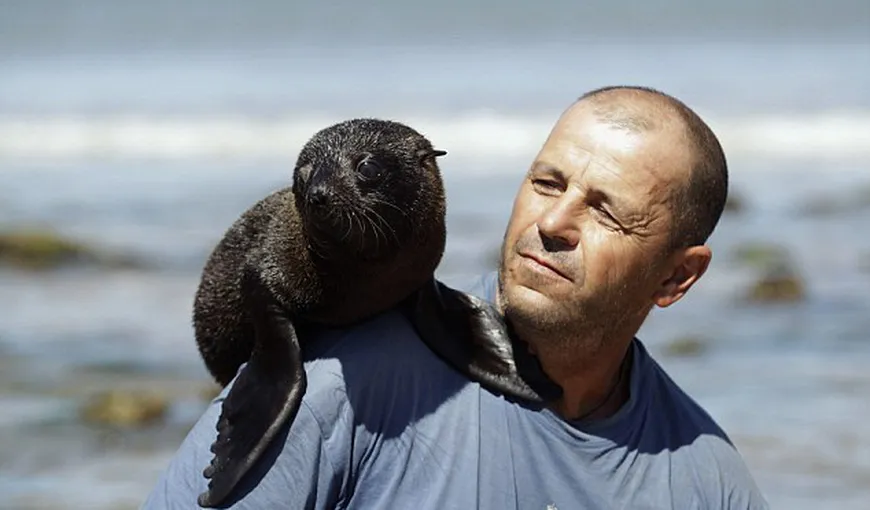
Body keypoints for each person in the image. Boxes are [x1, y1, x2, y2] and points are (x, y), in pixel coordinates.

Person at [143, 85, 769, 509]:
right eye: (547, 184)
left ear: (676, 278)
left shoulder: (706, 480)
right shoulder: (336, 391)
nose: (553, 223)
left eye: (606, 213)